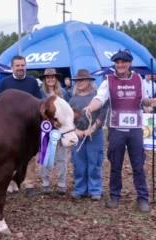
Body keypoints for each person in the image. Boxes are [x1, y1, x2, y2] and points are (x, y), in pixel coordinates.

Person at [84, 49, 155, 212]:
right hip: (116, 129)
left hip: (135, 129)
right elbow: (99, 99)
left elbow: (143, 101)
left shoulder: (139, 79)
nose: (120, 65)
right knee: (115, 164)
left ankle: (143, 198)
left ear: (130, 63)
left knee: (138, 165)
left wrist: (150, 102)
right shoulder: (108, 80)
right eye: (117, 62)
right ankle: (115, 196)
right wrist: (91, 106)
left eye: (123, 62)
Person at [0, 55, 41, 197]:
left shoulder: (32, 82)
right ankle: (11, 184)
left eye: (23, 65)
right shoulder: (5, 83)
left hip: (28, 127)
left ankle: (29, 184)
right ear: (12, 67)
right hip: (10, 129)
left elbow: (39, 104)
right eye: (17, 66)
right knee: (10, 157)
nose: (20, 68)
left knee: (30, 156)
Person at [69, 69, 107, 201]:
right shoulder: (72, 99)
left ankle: (95, 190)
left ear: (89, 81)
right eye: (77, 81)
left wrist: (91, 129)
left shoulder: (97, 98)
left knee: (94, 161)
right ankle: (80, 189)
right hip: (78, 135)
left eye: (81, 80)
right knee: (78, 162)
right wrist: (76, 130)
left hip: (94, 135)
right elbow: (68, 118)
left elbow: (102, 114)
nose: (78, 83)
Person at [39, 68, 69, 195]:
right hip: (45, 128)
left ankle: (61, 183)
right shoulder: (40, 93)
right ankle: (45, 183)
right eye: (48, 77)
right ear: (45, 79)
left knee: (62, 158)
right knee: (44, 156)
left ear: (56, 79)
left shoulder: (63, 93)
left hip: (60, 129)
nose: (50, 79)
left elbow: (68, 111)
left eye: (53, 77)